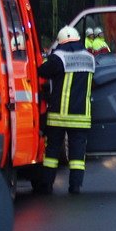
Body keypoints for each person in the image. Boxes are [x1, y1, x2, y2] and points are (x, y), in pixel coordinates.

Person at [38, 25, 95, 194]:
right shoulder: (89, 58)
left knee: (52, 153)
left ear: (61, 41)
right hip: (81, 117)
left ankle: (47, 185)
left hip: (59, 116)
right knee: (78, 155)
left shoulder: (58, 58)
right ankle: (75, 186)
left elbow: (41, 72)